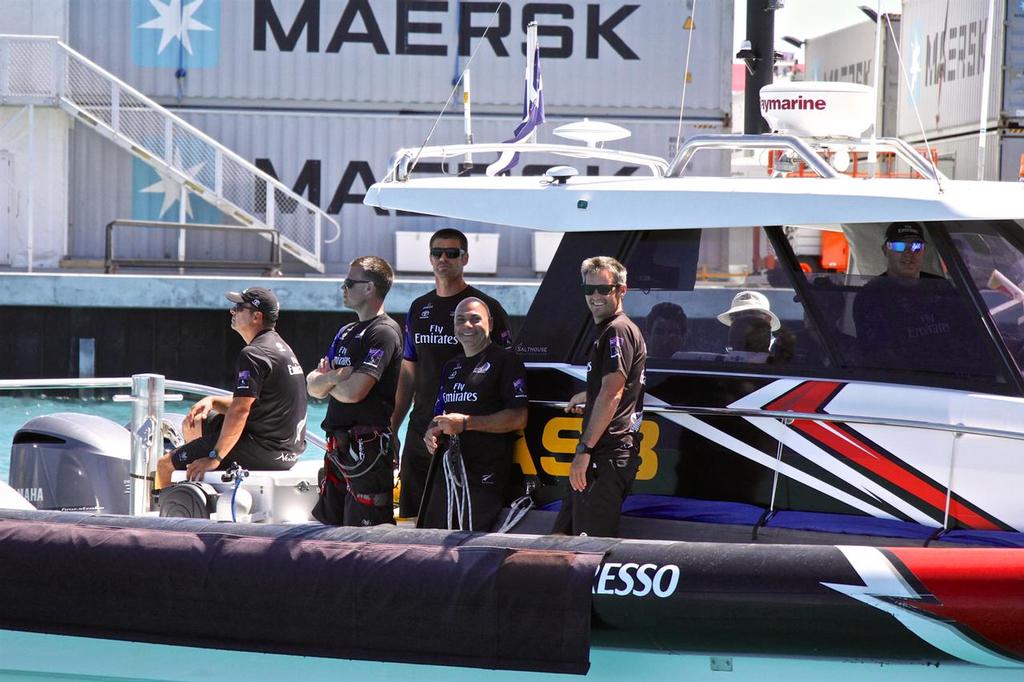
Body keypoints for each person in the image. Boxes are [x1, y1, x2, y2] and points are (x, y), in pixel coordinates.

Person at [393, 228, 512, 520]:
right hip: (421, 428)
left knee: (455, 518)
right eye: (437, 253)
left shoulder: (484, 309)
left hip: (466, 434)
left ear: (465, 258)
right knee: (412, 517)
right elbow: (409, 372)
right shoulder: (419, 308)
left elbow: (507, 365)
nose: (443, 259)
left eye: (452, 253)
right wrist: (393, 426)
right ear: (430, 258)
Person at [156, 287, 307, 488]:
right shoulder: (281, 348)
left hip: (264, 450)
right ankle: (202, 490)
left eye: (239, 307)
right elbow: (259, 403)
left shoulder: (254, 353)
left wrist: (214, 457)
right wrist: (213, 401)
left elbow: (241, 410)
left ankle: (162, 514)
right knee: (196, 422)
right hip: (287, 452)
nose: (232, 311)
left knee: (165, 465)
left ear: (257, 316)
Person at [552, 256, 646, 538]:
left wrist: (584, 450)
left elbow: (613, 391)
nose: (595, 296)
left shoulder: (617, 330)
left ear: (621, 290)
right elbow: (614, 386)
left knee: (586, 549)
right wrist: (589, 395)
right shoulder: (609, 330)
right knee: (561, 539)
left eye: (603, 289)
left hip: (604, 456)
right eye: (588, 290)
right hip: (600, 456)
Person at [307, 256, 403, 526]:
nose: (343, 288)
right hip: (337, 450)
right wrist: (338, 377)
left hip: (367, 453)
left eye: (349, 282)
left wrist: (329, 382)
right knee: (329, 529)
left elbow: (355, 393)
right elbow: (312, 386)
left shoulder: (384, 332)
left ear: (370, 288)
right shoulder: (345, 331)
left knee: (363, 537)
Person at [421, 297, 528, 531]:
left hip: (484, 476)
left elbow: (519, 417)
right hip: (448, 474)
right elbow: (440, 412)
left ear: (489, 323)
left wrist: (466, 424)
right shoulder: (451, 366)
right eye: (461, 320)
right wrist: (432, 430)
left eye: (475, 319)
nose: (467, 325)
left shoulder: (506, 361)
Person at [852, 222, 954, 366]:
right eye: (899, 246)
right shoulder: (872, 295)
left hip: (951, 373)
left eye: (916, 247)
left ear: (924, 251)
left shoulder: (941, 287)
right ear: (885, 250)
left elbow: (964, 333)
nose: (909, 254)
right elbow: (877, 354)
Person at [716, 290, 781, 355]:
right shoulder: (724, 357)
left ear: (767, 319)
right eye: (736, 316)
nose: (742, 321)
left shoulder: (780, 352)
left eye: (750, 314)